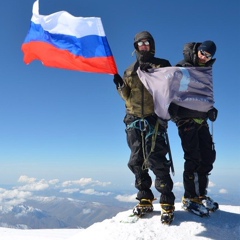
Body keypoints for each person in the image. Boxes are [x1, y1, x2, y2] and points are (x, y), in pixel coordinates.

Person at [113, 31, 175, 224]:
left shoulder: (162, 65)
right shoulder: (130, 70)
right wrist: (121, 87)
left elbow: (169, 88)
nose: (144, 46)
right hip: (133, 119)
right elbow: (128, 96)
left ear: (152, 45)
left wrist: (154, 74)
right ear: (136, 47)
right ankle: (145, 198)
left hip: (153, 119)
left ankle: (166, 201)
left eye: (147, 42)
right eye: (140, 43)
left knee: (156, 159)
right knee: (136, 160)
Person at [168, 40, 219, 216]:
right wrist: (172, 112)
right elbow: (173, 91)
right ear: (198, 50)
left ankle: (201, 194)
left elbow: (203, 96)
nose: (204, 57)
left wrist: (210, 110)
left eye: (208, 56)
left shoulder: (205, 72)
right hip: (185, 120)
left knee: (208, 156)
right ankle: (189, 197)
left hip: (201, 120)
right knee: (193, 158)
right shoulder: (183, 68)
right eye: (203, 53)